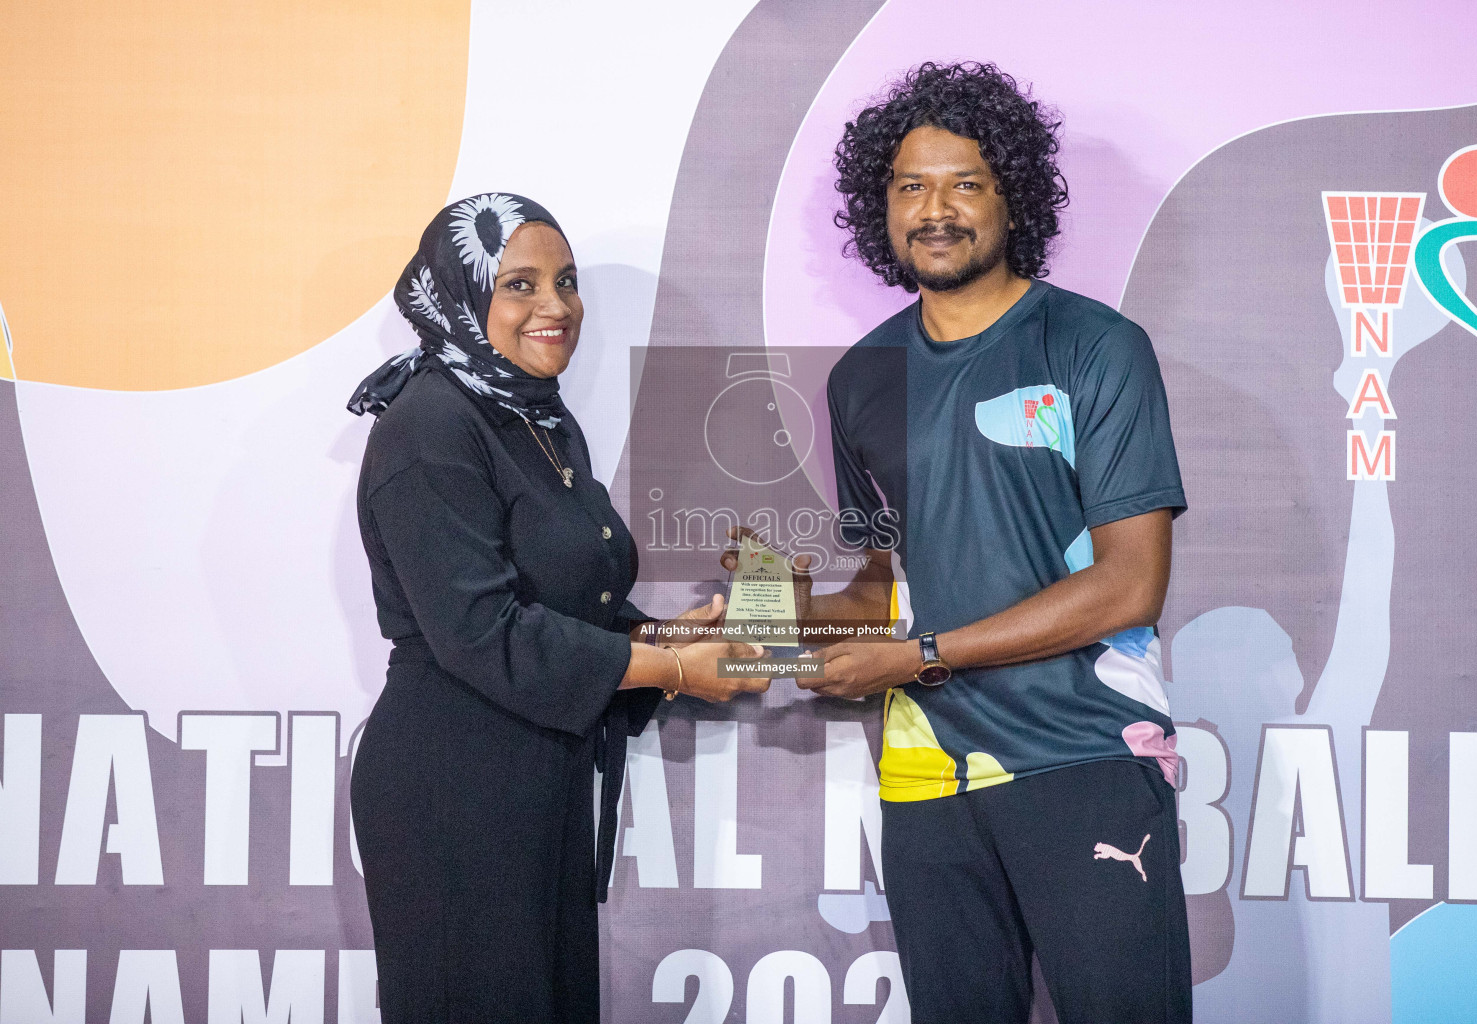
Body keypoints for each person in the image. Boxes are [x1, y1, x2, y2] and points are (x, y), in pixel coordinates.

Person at [810, 63, 1191, 1022]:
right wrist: (760, 619)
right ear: (879, 208)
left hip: (1084, 756)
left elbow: (1129, 587)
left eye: (964, 183)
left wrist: (925, 653)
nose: (934, 210)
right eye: (910, 186)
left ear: (1011, 197)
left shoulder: (1094, 347)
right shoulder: (862, 378)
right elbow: (883, 590)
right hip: (929, 775)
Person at [345, 193, 767, 1023]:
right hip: (454, 784)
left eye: (567, 282)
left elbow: (566, 600)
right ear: (459, 296)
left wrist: (666, 640)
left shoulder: (536, 418)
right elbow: (481, 631)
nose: (557, 307)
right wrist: (672, 668)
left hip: (539, 775)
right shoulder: (429, 425)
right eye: (521, 284)